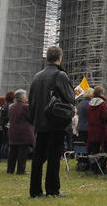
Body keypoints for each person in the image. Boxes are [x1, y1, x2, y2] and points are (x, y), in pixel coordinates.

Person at [28, 46, 75, 198]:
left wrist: (34, 119)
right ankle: (52, 189)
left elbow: (32, 101)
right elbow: (70, 98)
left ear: (47, 57)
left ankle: (35, 191)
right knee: (53, 157)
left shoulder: (37, 76)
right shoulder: (60, 75)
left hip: (40, 123)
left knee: (38, 158)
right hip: (56, 122)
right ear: (60, 58)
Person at [7, 89, 34, 175]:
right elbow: (31, 118)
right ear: (22, 97)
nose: (26, 97)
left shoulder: (11, 106)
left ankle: (10, 170)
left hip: (13, 131)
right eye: (25, 96)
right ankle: (20, 170)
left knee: (12, 152)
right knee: (22, 153)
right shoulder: (25, 107)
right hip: (23, 132)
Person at [87, 86, 107, 156]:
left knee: (94, 151)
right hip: (102, 131)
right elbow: (106, 117)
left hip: (91, 131)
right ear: (101, 93)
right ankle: (101, 166)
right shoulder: (103, 104)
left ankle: (94, 166)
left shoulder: (90, 103)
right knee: (106, 151)